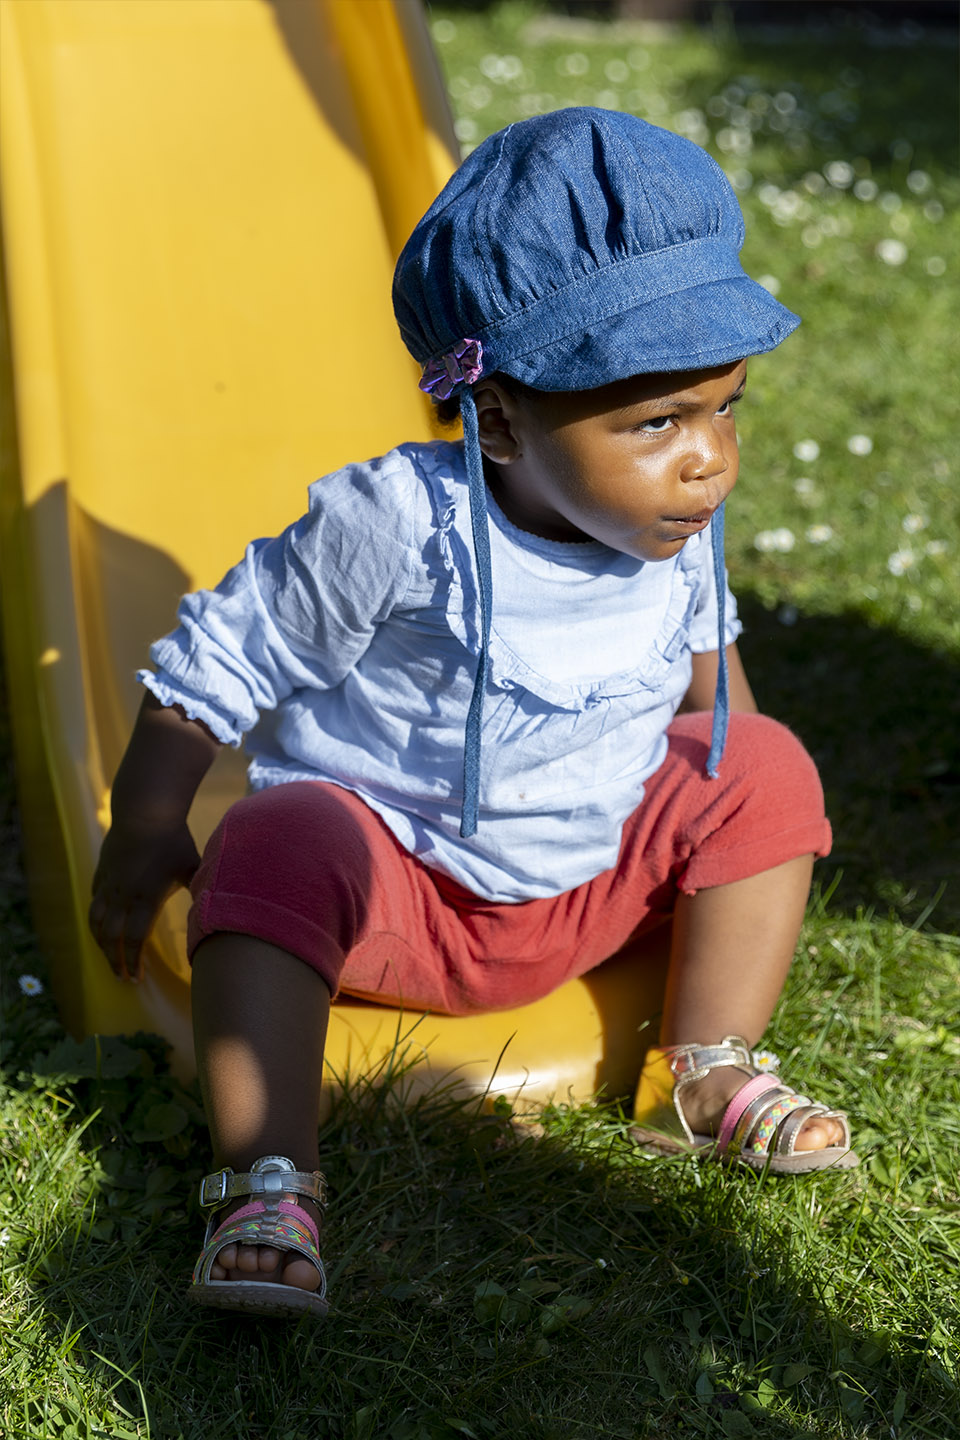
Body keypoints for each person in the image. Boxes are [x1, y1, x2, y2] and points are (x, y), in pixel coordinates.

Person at [89, 108, 858, 1320]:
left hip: (585, 884)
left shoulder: (668, 522)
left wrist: (738, 818)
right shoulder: (400, 526)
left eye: (728, 406)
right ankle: (269, 1180)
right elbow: (220, 657)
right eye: (656, 422)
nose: (709, 458)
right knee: (278, 835)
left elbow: (715, 721)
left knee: (766, 761)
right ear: (498, 421)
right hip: (399, 900)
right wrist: (144, 823)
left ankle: (705, 1070)